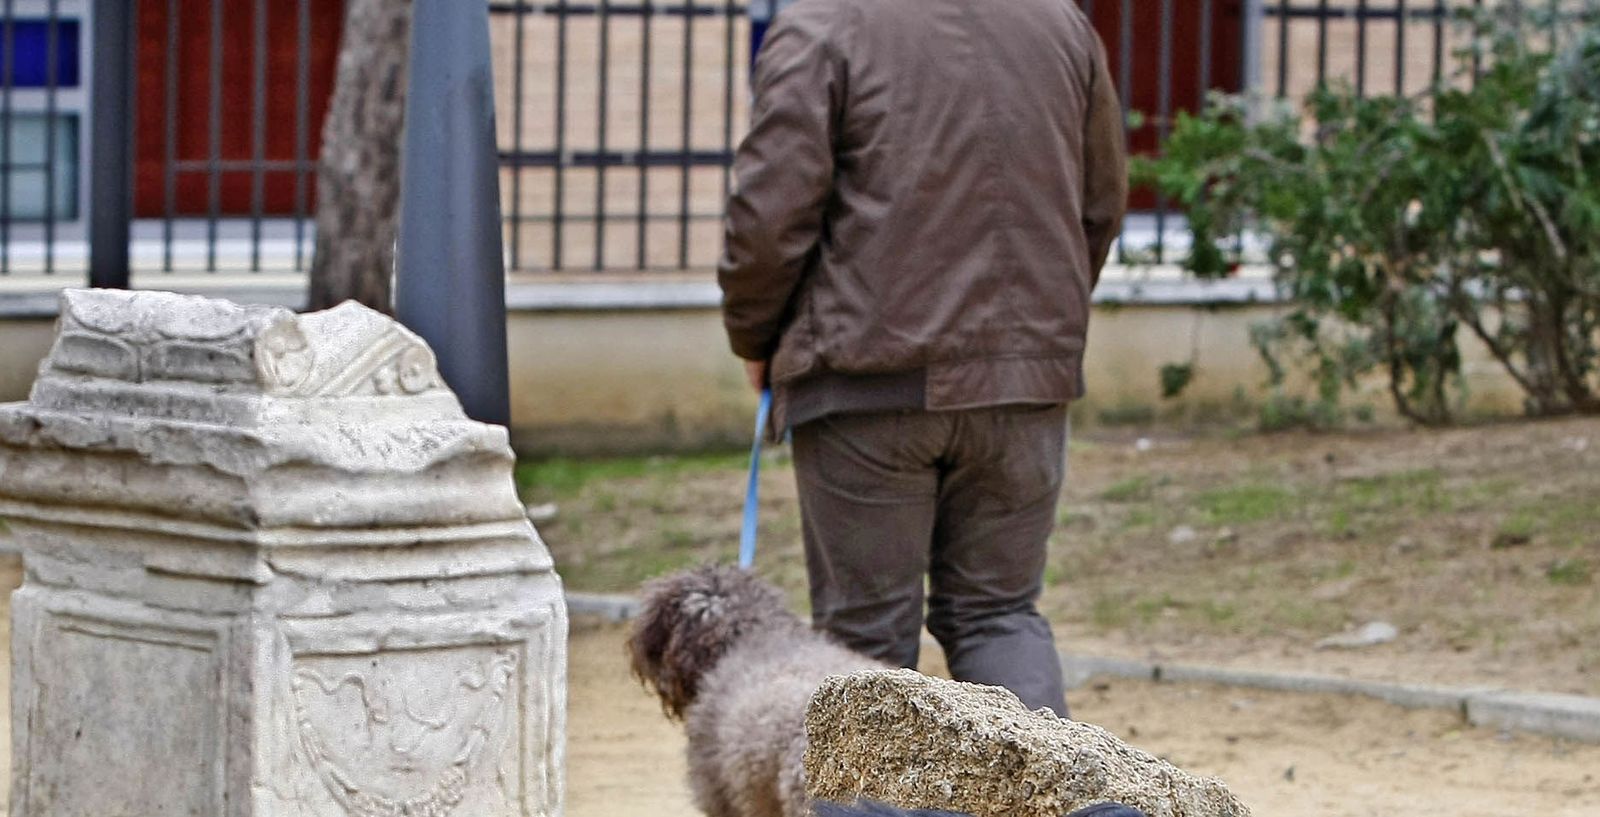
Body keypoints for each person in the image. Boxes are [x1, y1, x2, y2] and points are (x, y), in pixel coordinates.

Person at [717, 0, 1127, 717]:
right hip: (1021, 379)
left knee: (865, 638)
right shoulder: (1061, 21)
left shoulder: (823, 22)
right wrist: (1027, 335)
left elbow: (771, 211)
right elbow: (1100, 201)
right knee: (1000, 613)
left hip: (866, 379)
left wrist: (756, 334)